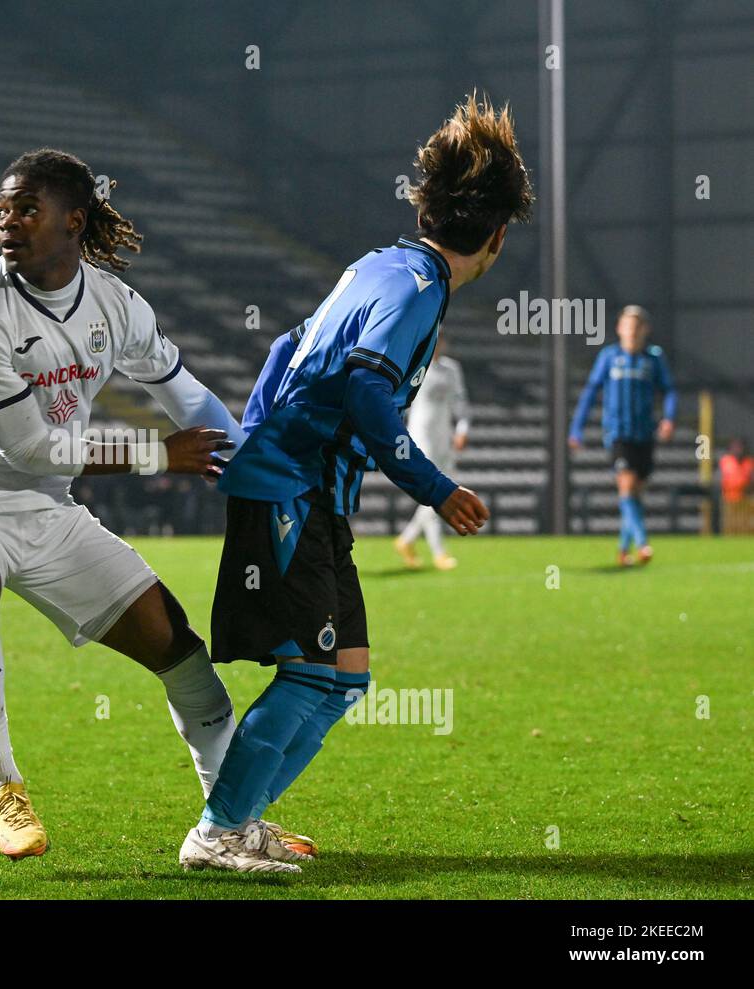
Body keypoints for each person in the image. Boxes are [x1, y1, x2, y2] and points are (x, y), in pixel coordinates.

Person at [0, 148, 312, 861]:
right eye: (2, 208)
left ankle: (232, 822)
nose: (8, 221)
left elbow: (186, 397)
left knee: (181, 651)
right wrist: (157, 453)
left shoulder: (115, 304)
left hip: (51, 516)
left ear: (74, 220)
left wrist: (256, 466)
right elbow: (29, 447)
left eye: (26, 208)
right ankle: (4, 785)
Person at [178, 95, 532, 874]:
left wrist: (254, 437)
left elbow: (284, 346)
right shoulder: (417, 291)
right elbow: (370, 392)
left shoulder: (379, 265)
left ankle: (245, 817)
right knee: (310, 669)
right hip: (294, 491)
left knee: (346, 678)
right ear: (499, 237)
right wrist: (435, 486)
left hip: (310, 493)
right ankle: (216, 829)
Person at [568, 306, 677, 566]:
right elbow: (590, 393)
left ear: (645, 330)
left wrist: (669, 419)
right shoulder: (609, 357)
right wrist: (576, 428)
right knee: (626, 487)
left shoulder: (653, 358)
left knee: (635, 494)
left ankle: (622, 549)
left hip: (645, 435)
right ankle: (643, 544)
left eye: (637, 326)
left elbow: (670, 390)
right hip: (618, 435)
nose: (632, 331)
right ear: (619, 329)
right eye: (627, 325)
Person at [393, 337, 471, 570]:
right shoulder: (415, 366)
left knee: (444, 489)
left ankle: (406, 539)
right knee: (437, 490)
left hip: (442, 437)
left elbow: (460, 401)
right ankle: (438, 553)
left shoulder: (451, 369)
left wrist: (462, 427)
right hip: (420, 436)